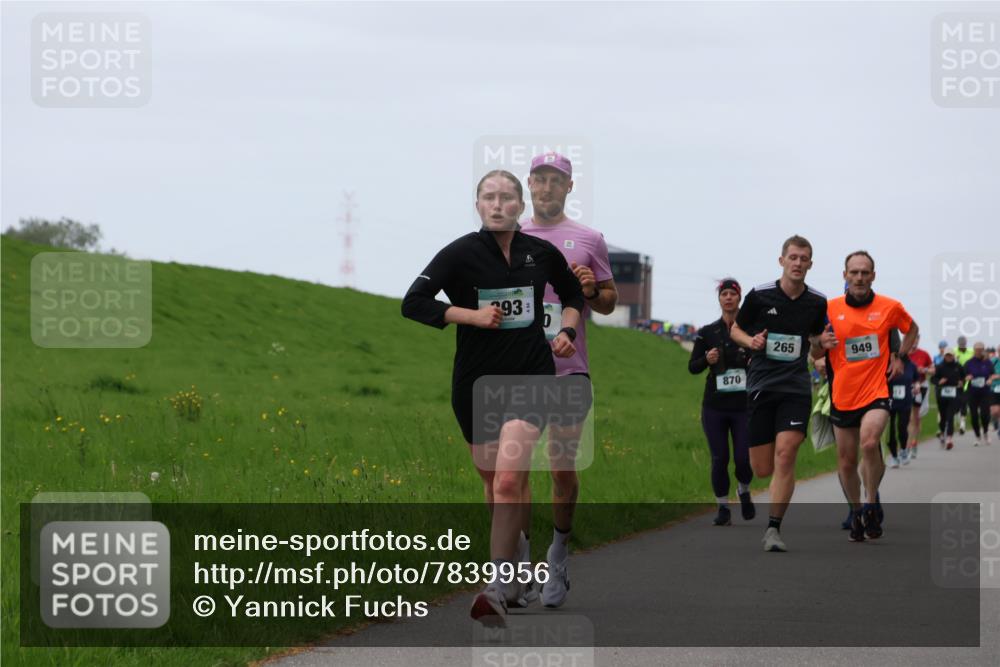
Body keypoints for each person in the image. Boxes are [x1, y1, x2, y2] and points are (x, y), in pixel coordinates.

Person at [401, 169, 584, 626]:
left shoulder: (538, 253)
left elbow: (574, 292)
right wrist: (471, 316)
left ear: (521, 207)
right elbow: (414, 301)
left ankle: (498, 586)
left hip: (531, 378)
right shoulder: (461, 253)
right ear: (478, 205)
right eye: (489, 198)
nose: (498, 204)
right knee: (493, 483)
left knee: (507, 481)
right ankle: (519, 563)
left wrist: (566, 330)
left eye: (507, 198)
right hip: (475, 384)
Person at [519, 151, 618, 609]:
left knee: (561, 468)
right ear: (530, 184)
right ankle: (517, 563)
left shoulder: (589, 238)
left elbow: (609, 301)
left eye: (556, 180)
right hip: (517, 369)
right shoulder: (509, 235)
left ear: (569, 187)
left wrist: (593, 288)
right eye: (539, 179)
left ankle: (558, 553)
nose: (546, 187)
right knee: (511, 474)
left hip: (569, 370)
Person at [730, 235, 828, 552]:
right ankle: (756, 484)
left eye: (804, 258)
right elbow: (735, 329)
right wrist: (751, 342)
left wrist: (820, 350)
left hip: (796, 387)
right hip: (761, 385)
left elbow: (814, 341)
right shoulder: (760, 296)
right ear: (782, 260)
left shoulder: (817, 301)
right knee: (763, 468)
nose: (798, 263)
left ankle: (773, 530)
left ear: (810, 264)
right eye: (793, 257)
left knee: (786, 454)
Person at [815, 250, 918, 542]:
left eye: (865, 272)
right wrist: (817, 351)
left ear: (873, 275)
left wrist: (899, 356)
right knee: (846, 461)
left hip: (876, 391)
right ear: (845, 276)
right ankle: (857, 511)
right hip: (843, 394)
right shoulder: (829, 308)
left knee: (870, 442)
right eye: (854, 272)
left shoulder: (889, 307)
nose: (859, 277)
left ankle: (871, 503)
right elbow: (813, 347)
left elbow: (913, 329)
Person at [688, 278, 755, 526]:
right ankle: (723, 507)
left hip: (743, 406)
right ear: (719, 299)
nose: (728, 298)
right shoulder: (707, 332)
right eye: (724, 294)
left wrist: (752, 359)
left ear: (739, 298)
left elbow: (762, 359)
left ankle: (744, 489)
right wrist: (706, 359)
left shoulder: (750, 331)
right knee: (719, 458)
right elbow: (692, 367)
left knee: (742, 459)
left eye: (732, 294)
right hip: (714, 406)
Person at [886, 355, 918, 467]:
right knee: (890, 430)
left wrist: (917, 387)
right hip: (890, 400)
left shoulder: (912, 366)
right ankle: (894, 456)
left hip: (905, 401)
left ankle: (903, 450)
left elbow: (916, 380)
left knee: (902, 427)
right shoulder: (888, 364)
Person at [906, 335, 934, 460]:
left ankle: (913, 442)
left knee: (916, 417)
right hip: (906, 386)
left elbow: (933, 370)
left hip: (921, 386)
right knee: (907, 417)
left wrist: (925, 370)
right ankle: (907, 445)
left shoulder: (924, 354)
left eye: (916, 339)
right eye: (912, 339)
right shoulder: (902, 354)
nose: (914, 342)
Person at [933, 349, 964, 450]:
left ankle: (949, 439)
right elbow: (933, 379)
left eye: (950, 355)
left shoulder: (958, 366)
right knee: (943, 416)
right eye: (947, 355)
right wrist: (939, 381)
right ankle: (942, 433)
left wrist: (961, 382)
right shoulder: (940, 366)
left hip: (954, 394)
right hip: (942, 394)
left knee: (950, 416)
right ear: (944, 356)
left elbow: (964, 377)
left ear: (953, 356)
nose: (948, 357)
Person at [963, 342, 994, 446]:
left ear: (983, 350)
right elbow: (963, 376)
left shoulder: (987, 362)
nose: (979, 351)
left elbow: (992, 374)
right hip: (972, 392)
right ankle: (977, 436)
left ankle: (985, 432)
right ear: (974, 350)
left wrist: (990, 379)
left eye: (981, 349)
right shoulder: (969, 363)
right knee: (974, 415)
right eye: (977, 349)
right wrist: (967, 378)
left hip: (985, 391)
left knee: (985, 414)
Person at [954, 336, 974, 434]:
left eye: (963, 344)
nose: (962, 346)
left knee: (964, 401)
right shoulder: (954, 351)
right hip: (956, 380)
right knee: (956, 401)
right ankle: (956, 418)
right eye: (960, 344)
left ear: (966, 343)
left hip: (966, 380)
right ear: (958, 343)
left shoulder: (971, 352)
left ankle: (962, 424)